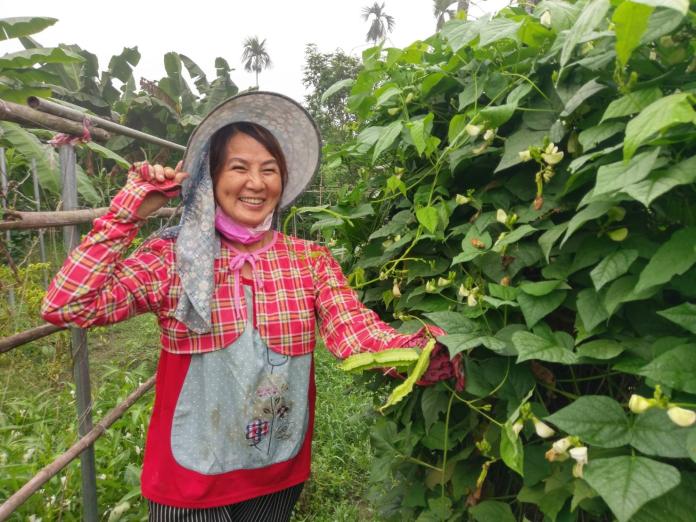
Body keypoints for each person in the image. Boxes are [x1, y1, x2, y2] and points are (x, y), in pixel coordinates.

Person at [41, 91, 463, 521]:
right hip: (188, 479)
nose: (256, 183)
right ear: (211, 175)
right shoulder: (175, 258)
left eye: (269, 170)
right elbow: (68, 305)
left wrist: (423, 351)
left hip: (274, 471)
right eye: (238, 167)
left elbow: (354, 332)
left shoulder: (309, 260)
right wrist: (126, 214)